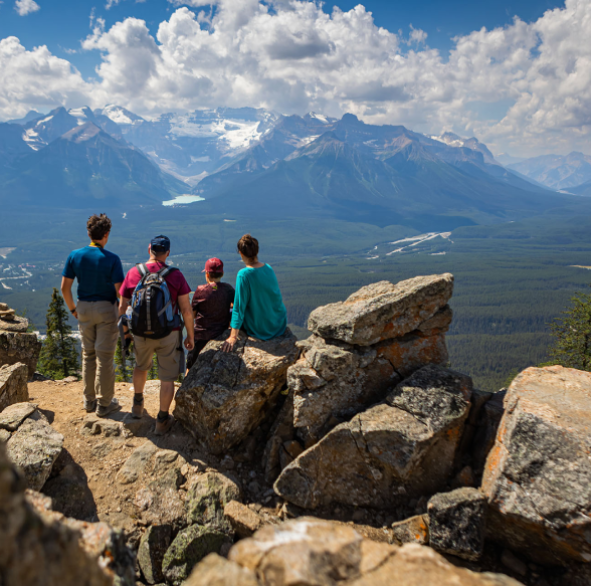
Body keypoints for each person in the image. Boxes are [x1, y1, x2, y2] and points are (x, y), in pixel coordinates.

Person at [118, 235, 194, 435]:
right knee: (167, 378)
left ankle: (137, 405)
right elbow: (186, 310)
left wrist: (125, 332)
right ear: (167, 253)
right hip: (169, 334)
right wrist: (190, 336)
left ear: (149, 249)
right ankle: (161, 421)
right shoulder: (176, 275)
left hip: (141, 333)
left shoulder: (135, 272)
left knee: (141, 366)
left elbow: (122, 307)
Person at [61, 214, 124, 417]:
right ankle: (105, 404)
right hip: (106, 309)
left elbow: (65, 288)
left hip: (83, 308)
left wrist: (73, 309)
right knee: (105, 357)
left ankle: (89, 400)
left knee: (88, 354)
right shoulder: (112, 259)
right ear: (106, 235)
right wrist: (121, 314)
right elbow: (120, 292)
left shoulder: (75, 256)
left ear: (89, 233)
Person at [222, 234, 287, 353]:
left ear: (241, 253)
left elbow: (239, 308)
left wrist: (233, 337)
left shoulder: (244, 274)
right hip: (278, 324)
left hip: (261, 329)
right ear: (257, 251)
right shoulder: (268, 268)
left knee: (229, 310)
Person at [186, 257, 235, 372]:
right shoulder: (228, 289)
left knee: (190, 367)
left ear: (207, 274)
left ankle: (184, 386)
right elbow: (237, 307)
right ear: (222, 273)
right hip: (220, 335)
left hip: (200, 336)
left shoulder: (200, 290)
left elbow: (192, 314)